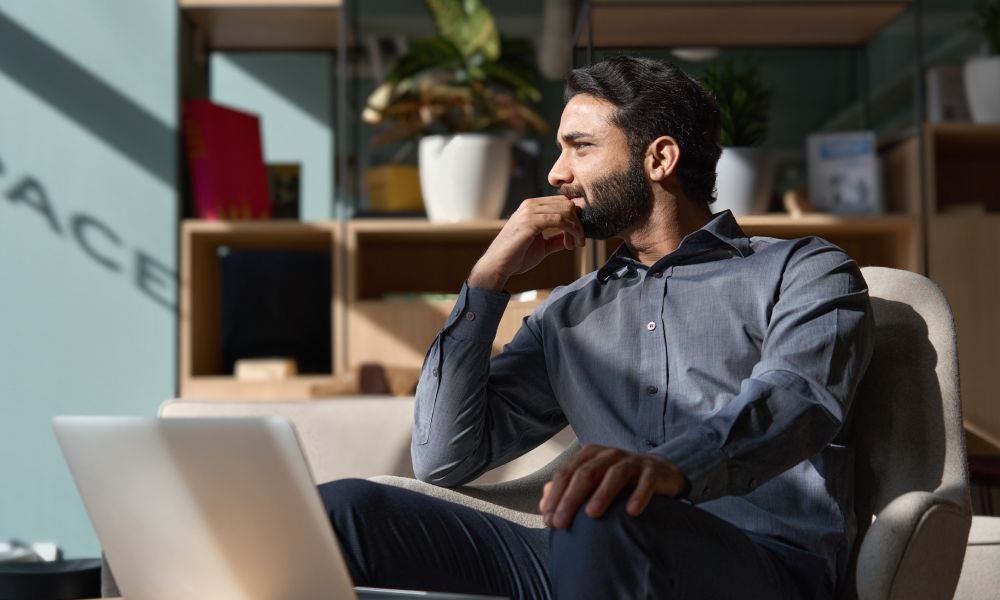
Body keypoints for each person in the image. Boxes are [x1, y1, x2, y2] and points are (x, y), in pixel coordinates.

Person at [320, 56, 874, 600]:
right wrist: (487, 281)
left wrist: (665, 468)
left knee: (606, 510)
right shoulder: (568, 314)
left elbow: (798, 400)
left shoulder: (803, 270)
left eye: (580, 147)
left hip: (761, 562)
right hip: (589, 547)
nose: (556, 173)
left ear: (659, 158)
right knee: (343, 512)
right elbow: (444, 458)